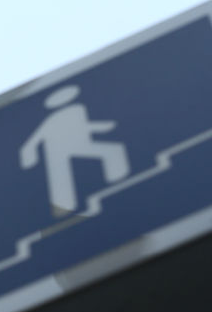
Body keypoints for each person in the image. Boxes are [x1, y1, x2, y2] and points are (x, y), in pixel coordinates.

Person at [20, 85, 130, 217]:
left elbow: (84, 126)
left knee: (112, 151)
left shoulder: (78, 110)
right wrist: (29, 152)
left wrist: (102, 127)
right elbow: (36, 138)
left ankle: (119, 182)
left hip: (80, 144)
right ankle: (63, 208)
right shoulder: (52, 119)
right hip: (57, 153)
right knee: (60, 178)